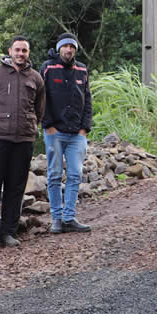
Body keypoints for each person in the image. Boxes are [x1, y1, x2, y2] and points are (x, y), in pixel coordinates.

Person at [0, 35, 45, 251]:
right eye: (17, 50)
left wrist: (30, 127)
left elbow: (39, 109)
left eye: (24, 50)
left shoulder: (36, 78)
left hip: (23, 141)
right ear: (10, 51)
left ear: (28, 53)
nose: (20, 54)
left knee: (15, 188)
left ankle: (8, 232)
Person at [40, 32, 93, 235]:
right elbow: (41, 98)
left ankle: (69, 217)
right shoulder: (48, 68)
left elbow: (87, 100)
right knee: (54, 175)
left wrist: (84, 128)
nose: (68, 50)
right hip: (55, 132)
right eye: (65, 46)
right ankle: (56, 218)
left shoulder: (82, 69)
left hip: (76, 134)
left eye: (72, 47)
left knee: (74, 174)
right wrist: (48, 125)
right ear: (59, 47)